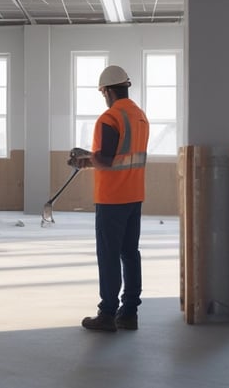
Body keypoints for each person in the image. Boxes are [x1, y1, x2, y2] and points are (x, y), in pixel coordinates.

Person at [68, 65, 149, 332]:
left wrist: (86, 157)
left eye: (102, 92)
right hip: (133, 196)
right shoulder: (140, 117)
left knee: (109, 256)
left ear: (108, 90)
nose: (103, 96)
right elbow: (120, 159)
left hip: (112, 199)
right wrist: (90, 161)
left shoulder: (110, 118)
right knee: (129, 253)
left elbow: (105, 158)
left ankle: (107, 314)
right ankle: (129, 313)